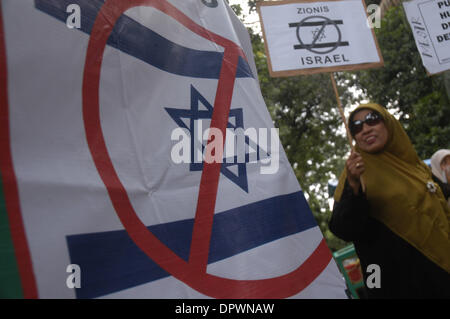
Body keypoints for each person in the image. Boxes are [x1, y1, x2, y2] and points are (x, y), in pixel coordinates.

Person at [329, 103, 450, 299]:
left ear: (389, 123)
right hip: (399, 284)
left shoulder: (414, 165)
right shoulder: (357, 173)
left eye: (372, 120)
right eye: (356, 127)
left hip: (440, 273)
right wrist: (354, 187)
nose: (365, 129)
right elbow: (343, 228)